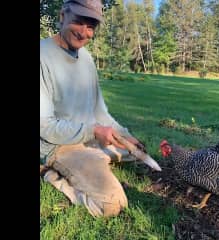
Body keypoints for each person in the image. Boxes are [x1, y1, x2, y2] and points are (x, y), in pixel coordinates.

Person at [40, 0, 144, 217]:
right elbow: (45, 126)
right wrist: (94, 131)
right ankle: (52, 174)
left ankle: (94, 159)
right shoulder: (42, 56)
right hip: (57, 145)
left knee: (137, 152)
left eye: (91, 27)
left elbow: (99, 112)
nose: (84, 33)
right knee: (112, 204)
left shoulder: (86, 58)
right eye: (78, 22)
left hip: (87, 137)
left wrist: (125, 135)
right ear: (62, 16)